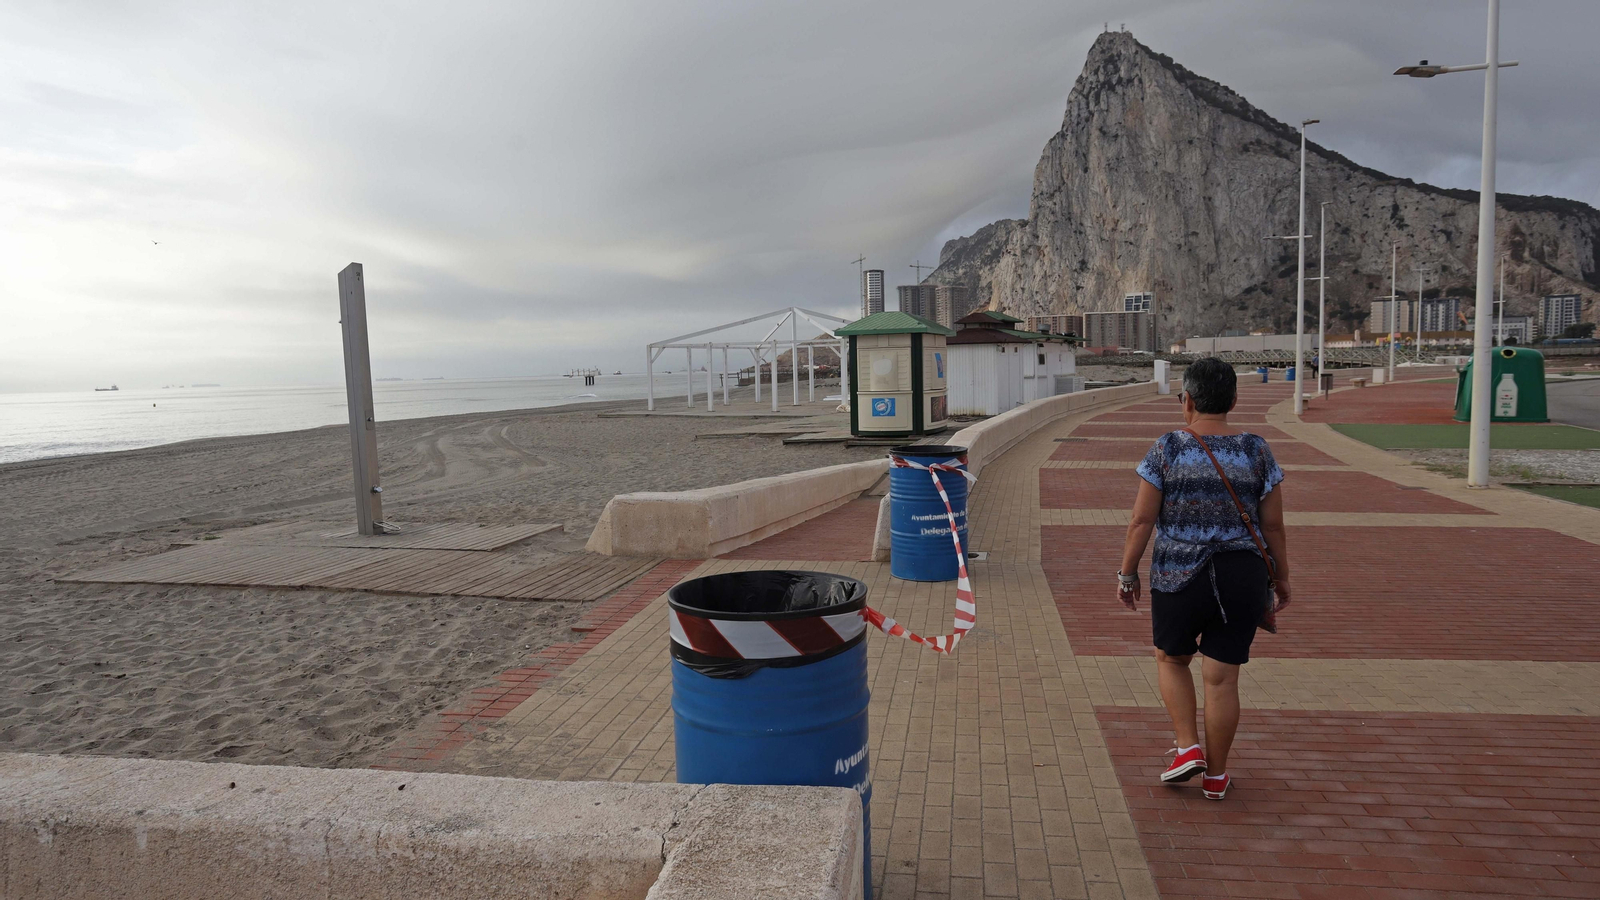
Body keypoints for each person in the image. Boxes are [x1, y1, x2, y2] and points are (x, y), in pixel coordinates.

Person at [1114, 357, 1292, 800]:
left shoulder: (1168, 448)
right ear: (1233, 399)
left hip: (1178, 574)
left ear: (1187, 401)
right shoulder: (1257, 449)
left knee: (1172, 660)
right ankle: (1216, 776)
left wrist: (1127, 573)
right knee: (1223, 678)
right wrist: (1281, 577)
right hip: (1242, 575)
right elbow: (1273, 526)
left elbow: (1141, 519)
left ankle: (1185, 747)